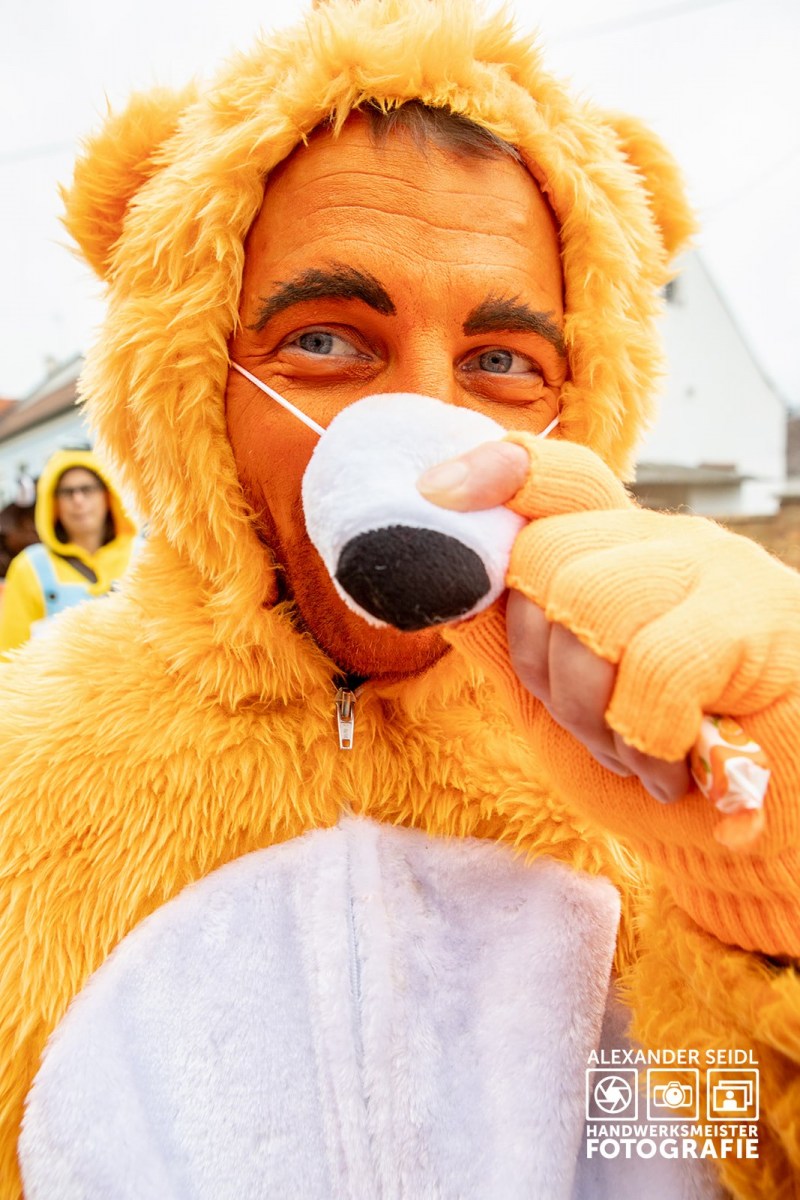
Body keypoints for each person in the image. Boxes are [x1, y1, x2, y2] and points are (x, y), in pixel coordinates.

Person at [1, 3, 798, 1197]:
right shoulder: (23, 795)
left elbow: (742, 1147)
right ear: (190, 377)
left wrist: (766, 896)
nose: (428, 436)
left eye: (501, 364)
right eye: (326, 341)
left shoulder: (663, 756)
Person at [0, 448, 137, 653]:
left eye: (87, 489)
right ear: (53, 502)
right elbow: (9, 654)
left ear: (107, 494)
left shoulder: (144, 555)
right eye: (67, 492)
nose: (78, 500)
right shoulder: (30, 567)